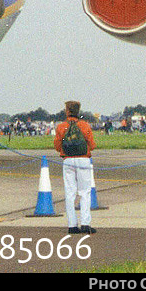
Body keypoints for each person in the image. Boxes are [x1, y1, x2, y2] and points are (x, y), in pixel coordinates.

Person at [53, 100, 96, 235]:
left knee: (70, 193)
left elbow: (57, 146)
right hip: (83, 160)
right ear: (78, 111)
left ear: (67, 111)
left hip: (68, 160)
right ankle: (85, 224)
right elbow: (92, 145)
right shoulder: (84, 125)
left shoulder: (61, 127)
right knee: (85, 192)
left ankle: (72, 225)